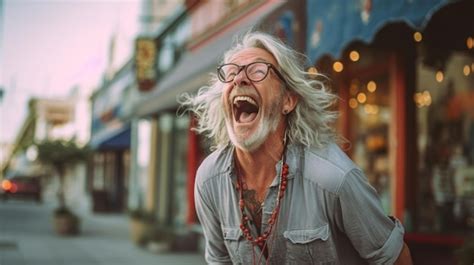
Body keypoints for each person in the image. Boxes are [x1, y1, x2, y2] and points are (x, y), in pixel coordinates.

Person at [180, 31, 412, 265]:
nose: (239, 79)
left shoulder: (334, 179)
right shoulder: (209, 179)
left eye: (257, 71)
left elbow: (396, 259)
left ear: (287, 101)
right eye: (231, 73)